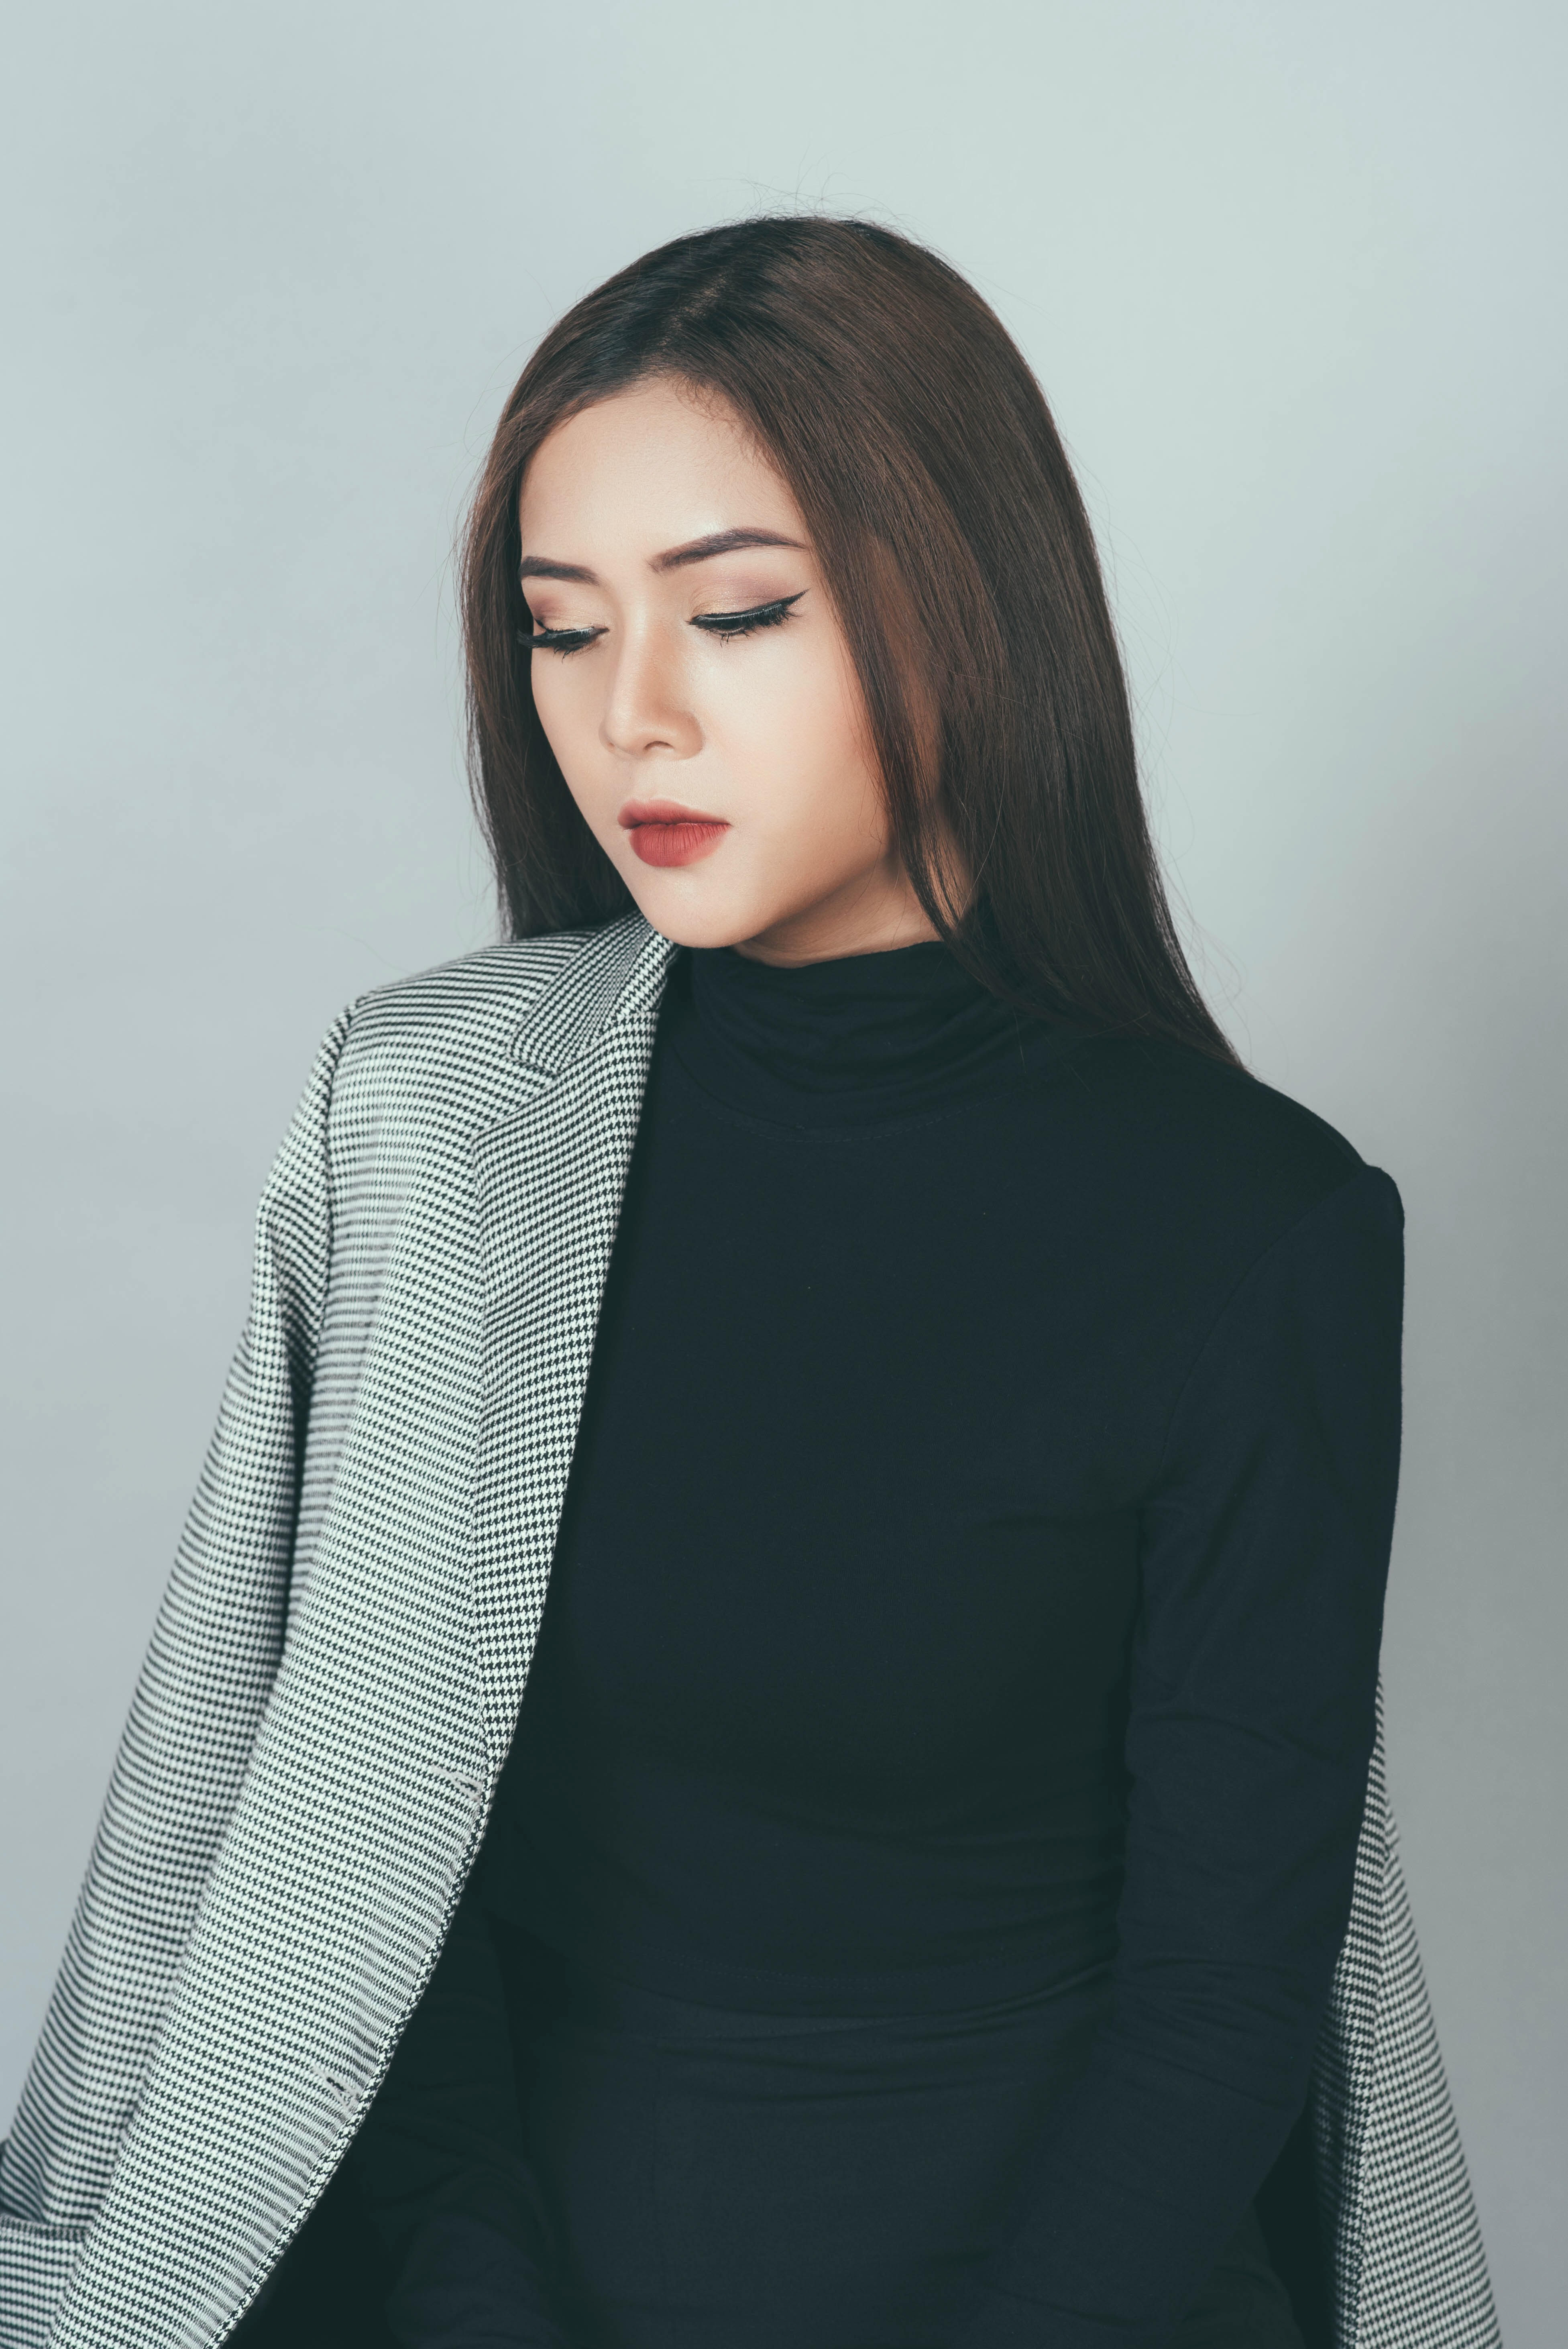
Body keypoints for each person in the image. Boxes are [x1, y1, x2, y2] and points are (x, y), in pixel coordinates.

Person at [0, 218, 1499, 2349]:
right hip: (488, 2283)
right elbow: (339, 1844)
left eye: (736, 613)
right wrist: (475, 2300)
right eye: (560, 628)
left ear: (965, 601)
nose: (631, 715)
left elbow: (1220, 2009)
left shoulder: (1253, 1229)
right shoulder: (434, 1126)